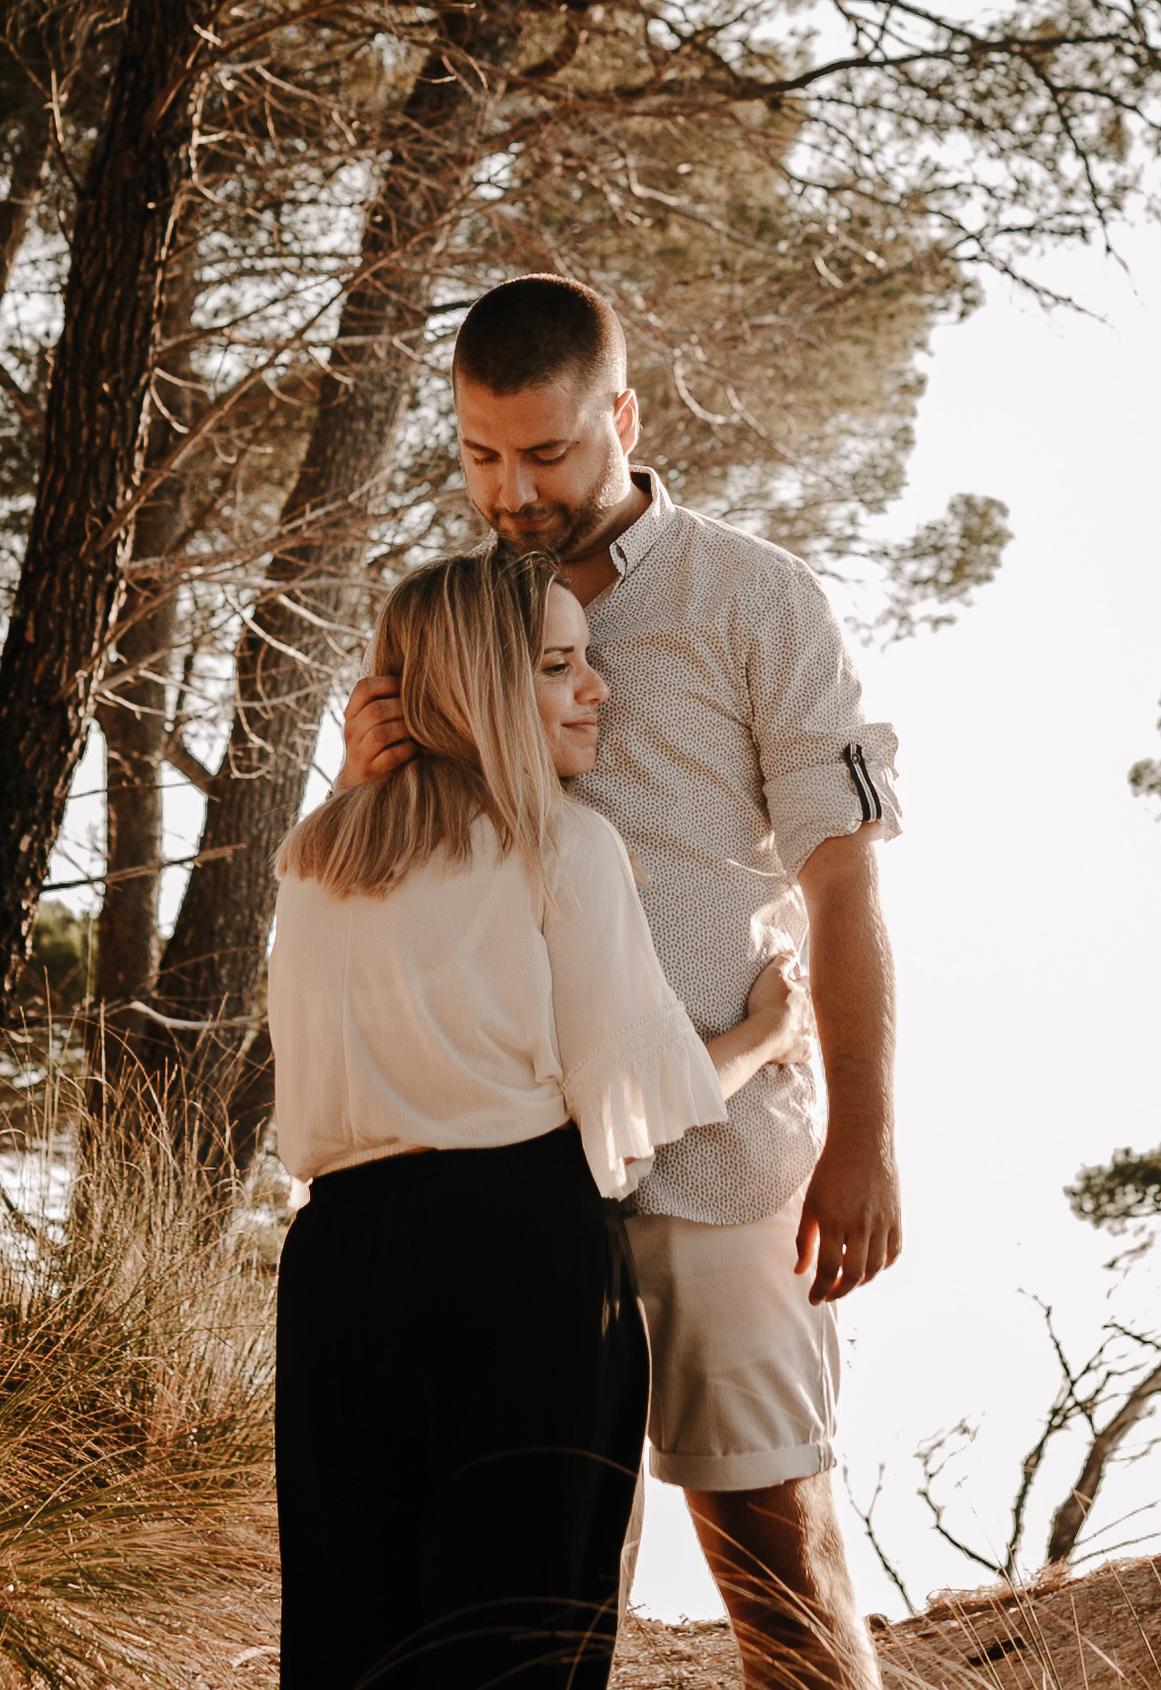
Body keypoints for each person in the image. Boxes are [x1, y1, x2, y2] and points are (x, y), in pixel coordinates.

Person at [341, 276, 902, 1690]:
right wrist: (363, 785)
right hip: (512, 1181)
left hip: (725, 1166)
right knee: (523, 1594)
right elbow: (394, 887)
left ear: (624, 419)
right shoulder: (451, 618)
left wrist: (867, 1141)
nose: (511, 492)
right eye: (478, 455)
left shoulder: (760, 598)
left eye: (545, 454)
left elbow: (844, 885)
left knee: (775, 1554)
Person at [272, 549, 808, 1690]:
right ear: (477, 689)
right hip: (519, 1260)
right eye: (559, 666)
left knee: (350, 1632)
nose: (594, 689)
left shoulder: (316, 857)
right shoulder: (564, 845)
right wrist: (769, 1032)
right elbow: (640, 1096)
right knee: (520, 1637)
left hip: (336, 1269)